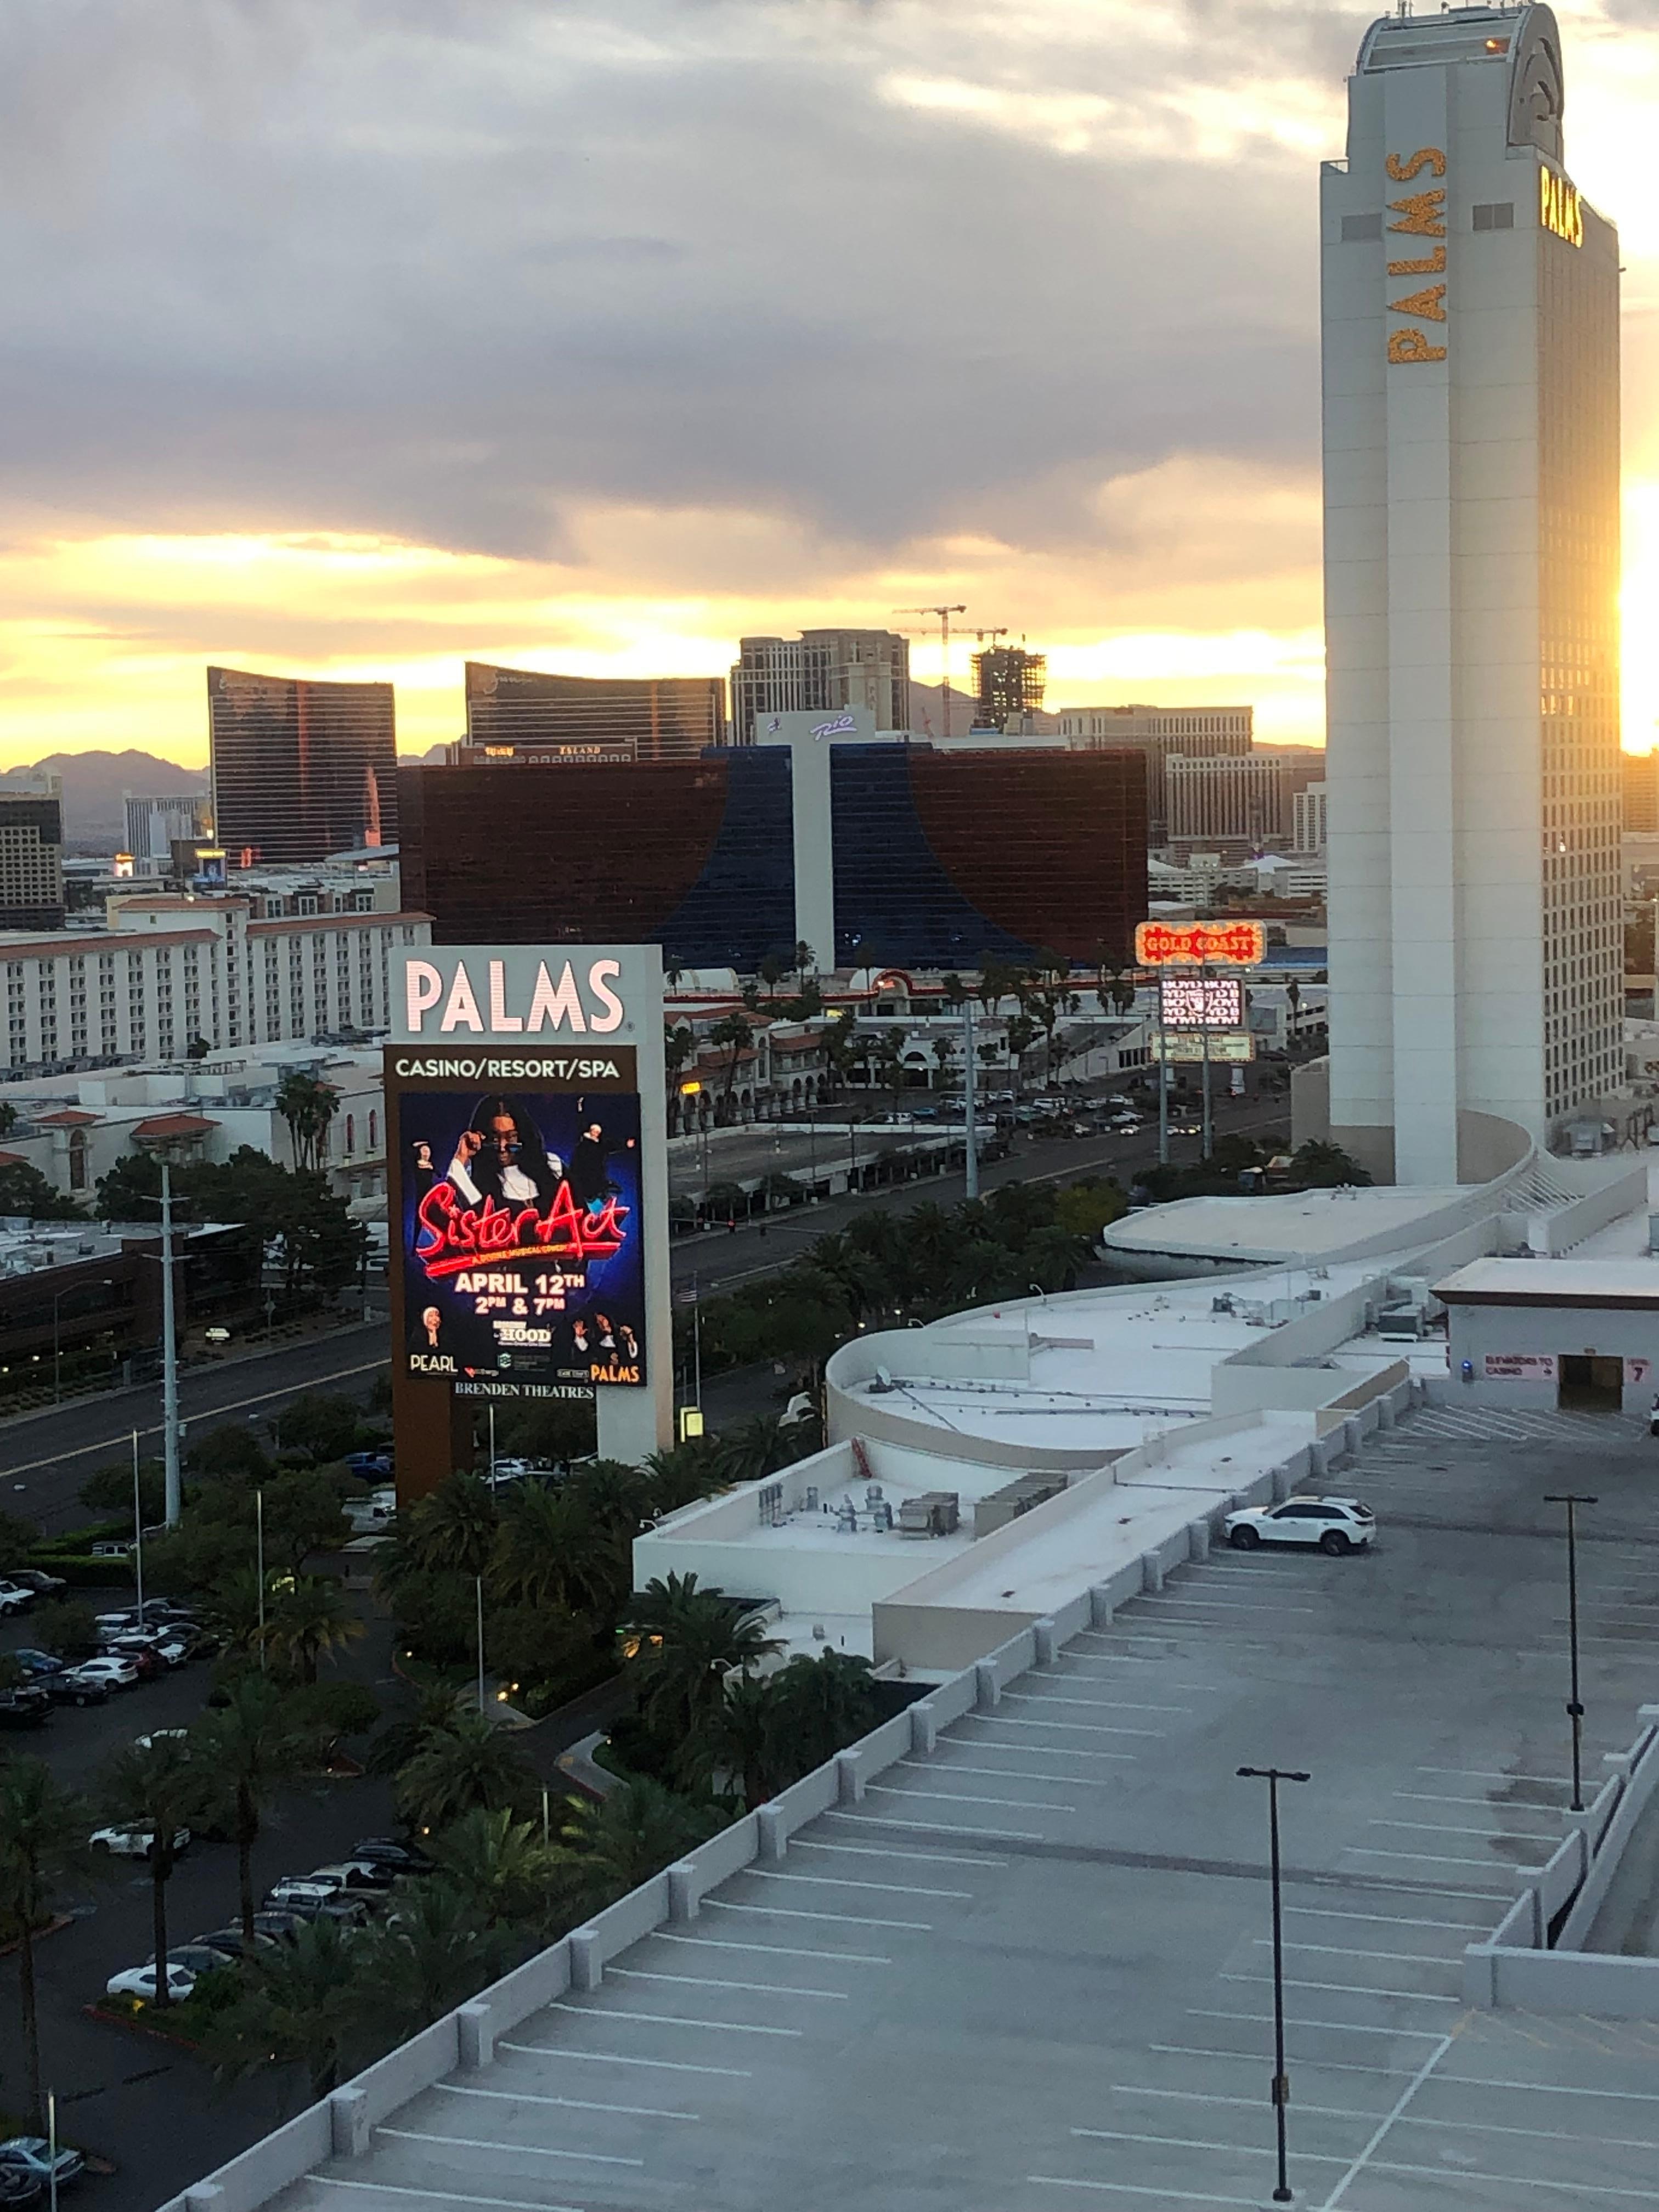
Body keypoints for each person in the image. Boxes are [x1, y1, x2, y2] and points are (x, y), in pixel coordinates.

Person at [446, 1097, 564, 1209]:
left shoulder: (553, 1166)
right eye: (495, 1138)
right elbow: (467, 1214)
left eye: (510, 1137)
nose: (502, 1147)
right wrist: (461, 1156)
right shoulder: (479, 1183)